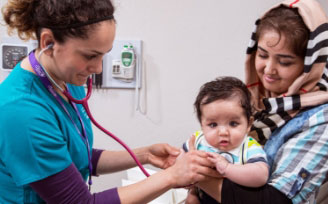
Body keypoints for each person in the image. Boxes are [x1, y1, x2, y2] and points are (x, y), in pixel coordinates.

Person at [0, 0, 219, 203]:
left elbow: (80, 157)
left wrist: (145, 155)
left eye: (104, 55)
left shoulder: (62, 78)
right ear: (48, 42)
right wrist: (171, 177)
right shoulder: (22, 111)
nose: (98, 69)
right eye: (90, 56)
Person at [192, 0, 328, 203]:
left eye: (284, 62)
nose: (269, 70)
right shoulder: (254, 100)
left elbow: (276, 200)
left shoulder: (323, 119)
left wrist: (196, 177)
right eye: (262, 55)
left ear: (309, 64)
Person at [182, 76, 269, 203]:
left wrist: (227, 168)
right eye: (213, 125)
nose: (223, 132)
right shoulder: (198, 140)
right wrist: (191, 189)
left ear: (248, 124)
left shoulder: (248, 147)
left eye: (233, 123)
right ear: (202, 125)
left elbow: (261, 176)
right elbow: (179, 161)